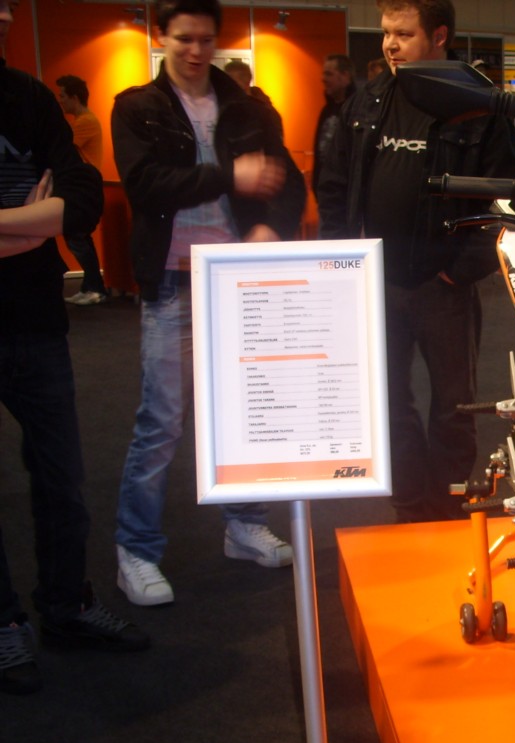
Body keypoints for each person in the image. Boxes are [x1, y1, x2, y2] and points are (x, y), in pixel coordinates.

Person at [111, 0, 305, 607]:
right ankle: (136, 549)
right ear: (161, 36)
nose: (196, 51)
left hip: (239, 281)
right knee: (162, 421)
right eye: (184, 39)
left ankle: (244, 523)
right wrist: (228, 176)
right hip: (173, 280)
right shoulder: (136, 107)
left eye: (205, 40)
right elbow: (145, 186)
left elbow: (287, 181)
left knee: (245, 415)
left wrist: (272, 226)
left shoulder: (245, 106)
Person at [317, 0, 515, 523]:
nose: (390, 44)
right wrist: (340, 262)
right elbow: (334, 184)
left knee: (455, 406)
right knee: (388, 402)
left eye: (403, 34)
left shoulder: (479, 106)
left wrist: (459, 270)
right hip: (378, 282)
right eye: (386, 33)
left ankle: (447, 508)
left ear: (439, 36)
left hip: (445, 286)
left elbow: (503, 200)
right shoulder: (368, 100)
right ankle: (408, 505)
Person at [1, 0, 151, 699]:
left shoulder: (28, 98)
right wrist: (28, 223)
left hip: (35, 322)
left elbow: (83, 196)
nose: (5, 16)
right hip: (30, 304)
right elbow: (58, 209)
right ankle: (4, 624)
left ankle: (66, 606)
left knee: (62, 479)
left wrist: (30, 226)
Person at [53, 74, 107, 308]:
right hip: (81, 188)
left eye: (63, 96)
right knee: (78, 238)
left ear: (74, 97)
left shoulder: (85, 122)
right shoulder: (82, 121)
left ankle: (95, 288)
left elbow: (63, 149)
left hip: (84, 189)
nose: (60, 100)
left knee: (78, 238)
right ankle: (91, 286)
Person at [313, 53, 356, 198]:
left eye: (329, 74)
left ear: (345, 76)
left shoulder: (358, 110)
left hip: (346, 195)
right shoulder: (327, 110)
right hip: (326, 194)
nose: (323, 79)